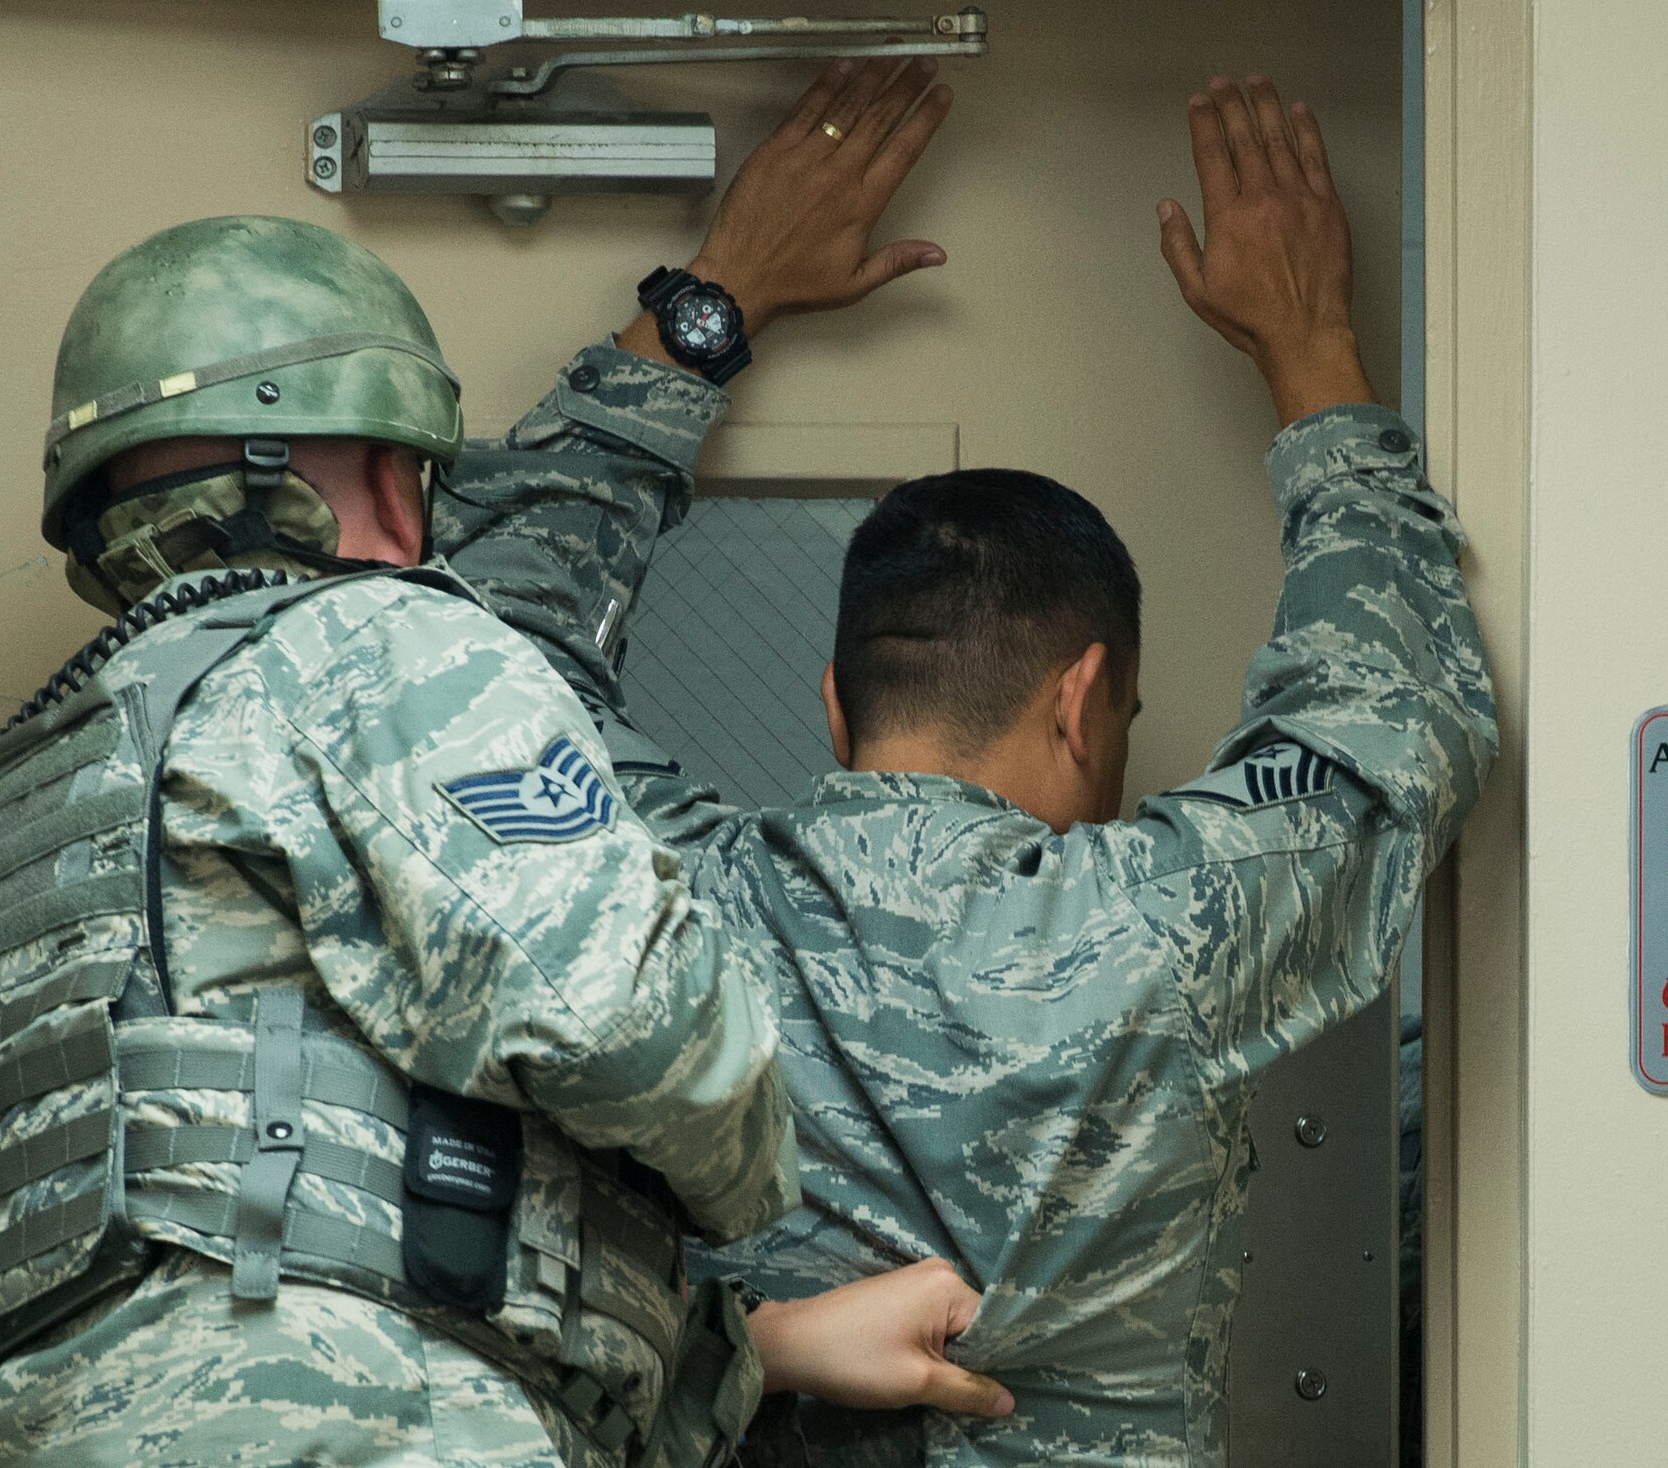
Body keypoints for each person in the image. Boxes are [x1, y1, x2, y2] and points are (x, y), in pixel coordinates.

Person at [439, 63, 1497, 1467]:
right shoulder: (1170, 924)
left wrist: (713, 302)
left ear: (834, 704)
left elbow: (475, 640)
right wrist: (1310, 352)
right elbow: (1394, 701)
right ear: (1086, 698)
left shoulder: (662, 896)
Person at [0, 202, 1012, 1467]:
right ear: (377, 474)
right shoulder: (371, 641)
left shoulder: (3, 815)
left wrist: (754, 1350)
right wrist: (758, 1169)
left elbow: (264, 1190)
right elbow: (648, 1031)